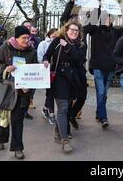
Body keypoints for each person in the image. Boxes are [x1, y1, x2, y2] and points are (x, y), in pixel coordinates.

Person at [0, 25, 38, 160]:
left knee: (18, 120)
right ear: (16, 38)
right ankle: (0, 139)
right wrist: (6, 68)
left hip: (23, 92)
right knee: (3, 117)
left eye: (28, 38)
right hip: (6, 89)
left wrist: (29, 86)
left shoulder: (32, 51)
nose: (26, 40)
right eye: (23, 38)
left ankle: (18, 148)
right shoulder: (6, 47)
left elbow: (34, 70)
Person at [43, 21, 87, 153]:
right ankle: (65, 141)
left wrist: (67, 46)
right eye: (72, 29)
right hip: (59, 77)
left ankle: (58, 132)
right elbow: (47, 54)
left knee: (67, 107)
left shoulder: (81, 44)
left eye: (77, 30)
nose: (74, 32)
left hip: (74, 78)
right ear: (66, 30)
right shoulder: (57, 40)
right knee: (63, 107)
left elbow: (79, 60)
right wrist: (45, 60)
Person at [84, 12, 123, 128]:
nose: (110, 19)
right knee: (101, 92)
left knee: (104, 92)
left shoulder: (115, 31)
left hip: (110, 66)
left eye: (111, 17)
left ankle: (99, 112)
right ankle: (104, 117)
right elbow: (86, 28)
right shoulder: (95, 29)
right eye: (108, 17)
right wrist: (94, 10)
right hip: (98, 65)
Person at [37, 28, 58, 125]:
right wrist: (46, 62)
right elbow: (40, 57)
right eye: (53, 36)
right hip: (47, 71)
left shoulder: (59, 43)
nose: (55, 38)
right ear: (49, 35)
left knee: (52, 91)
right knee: (50, 92)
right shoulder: (43, 44)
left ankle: (45, 108)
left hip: (57, 71)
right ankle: (52, 114)